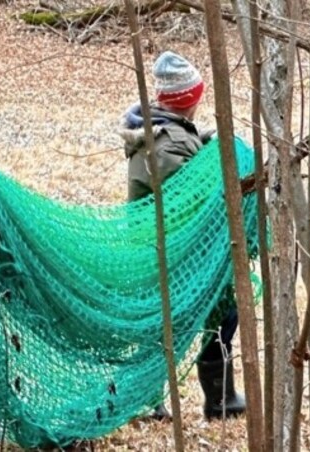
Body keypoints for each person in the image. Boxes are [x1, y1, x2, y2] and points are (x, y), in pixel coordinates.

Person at [117, 51, 246, 420]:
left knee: (222, 312)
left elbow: (185, 142)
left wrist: (205, 139)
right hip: (164, 251)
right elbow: (195, 195)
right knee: (167, 324)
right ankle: (147, 402)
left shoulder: (167, 130)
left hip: (168, 247)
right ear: (190, 97)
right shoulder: (166, 144)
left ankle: (220, 399)